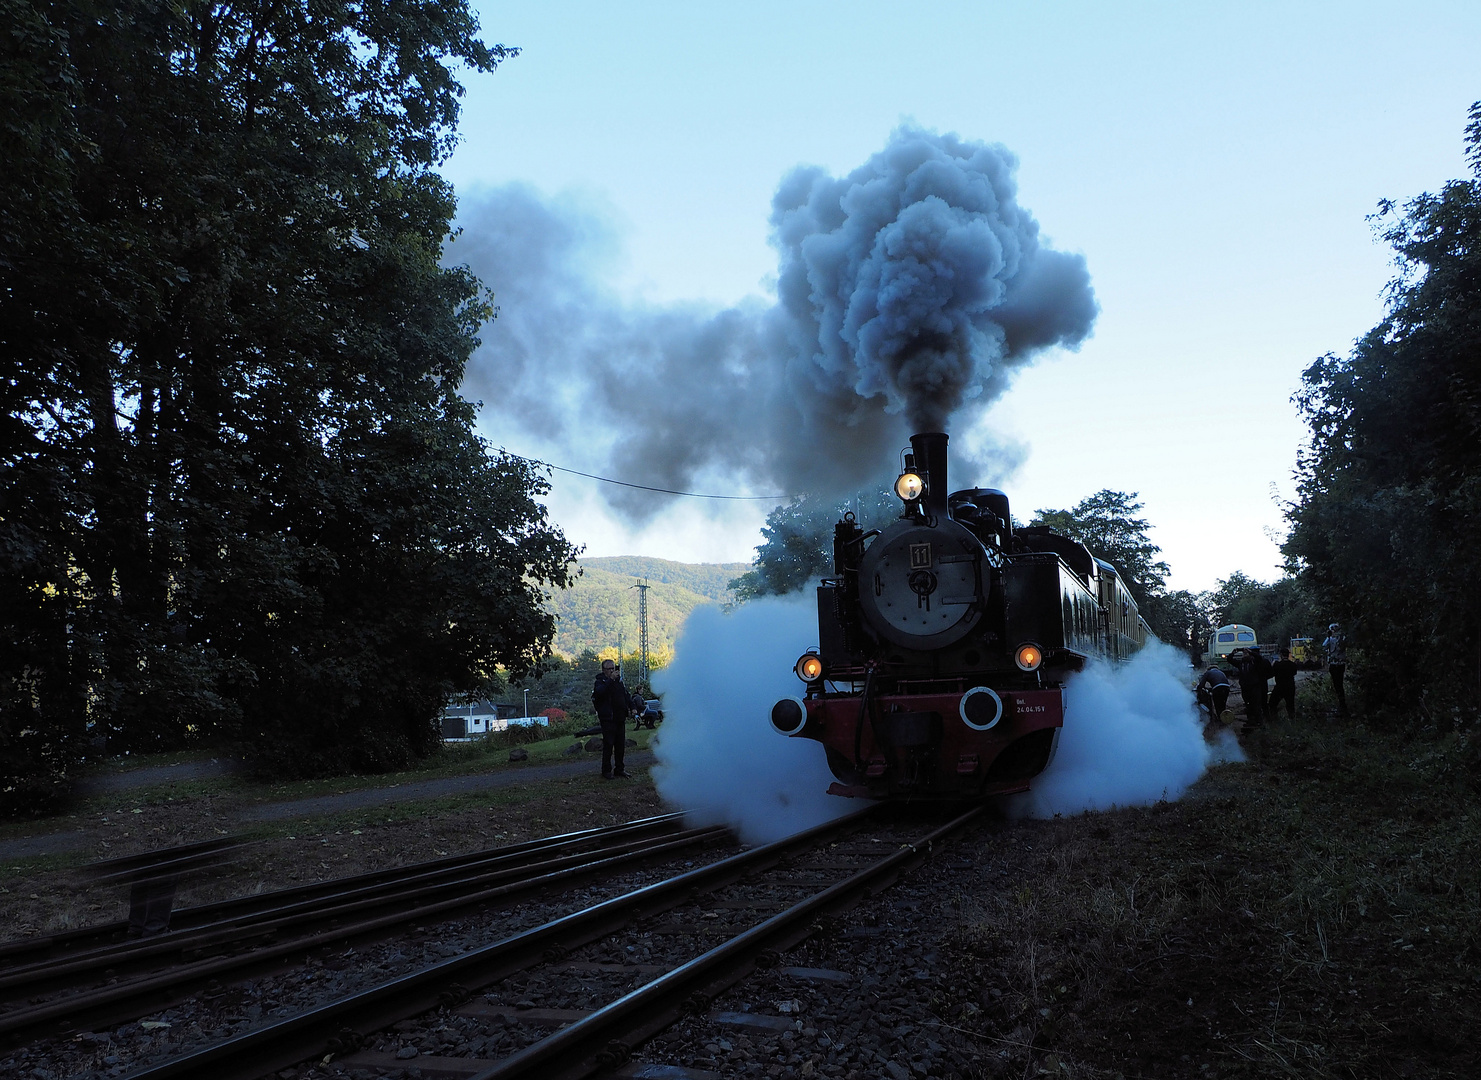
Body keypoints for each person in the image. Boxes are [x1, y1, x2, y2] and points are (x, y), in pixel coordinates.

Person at [591, 659, 631, 778]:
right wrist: (610, 680)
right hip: (608, 719)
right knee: (608, 745)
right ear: (604, 670)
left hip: (620, 718)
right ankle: (606, 771)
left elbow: (625, 695)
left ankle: (620, 769)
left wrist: (632, 707)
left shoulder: (619, 682)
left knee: (620, 746)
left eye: (614, 668)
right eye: (610, 669)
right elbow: (600, 693)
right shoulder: (600, 682)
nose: (613, 671)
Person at [1236, 647, 1272, 727]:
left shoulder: (1254, 662)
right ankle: (1266, 719)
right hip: (1262, 684)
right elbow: (1271, 672)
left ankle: (1255, 720)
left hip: (1255, 685)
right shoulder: (1264, 661)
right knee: (1263, 703)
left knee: (1254, 704)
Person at [1321, 623, 1348, 716]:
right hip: (1335, 664)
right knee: (1337, 684)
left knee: (1338, 684)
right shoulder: (1332, 639)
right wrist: (1328, 637)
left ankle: (1342, 704)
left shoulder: (1342, 638)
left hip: (1338, 664)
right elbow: (1324, 647)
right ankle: (1341, 703)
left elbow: (1324, 647)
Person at [1268, 647, 1299, 721]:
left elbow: (1272, 673)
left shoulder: (1277, 665)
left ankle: (1274, 719)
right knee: (1290, 704)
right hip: (1290, 687)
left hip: (1280, 687)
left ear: (1281, 655)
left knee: (1272, 703)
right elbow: (1294, 673)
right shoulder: (1293, 665)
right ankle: (1292, 719)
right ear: (1288, 655)